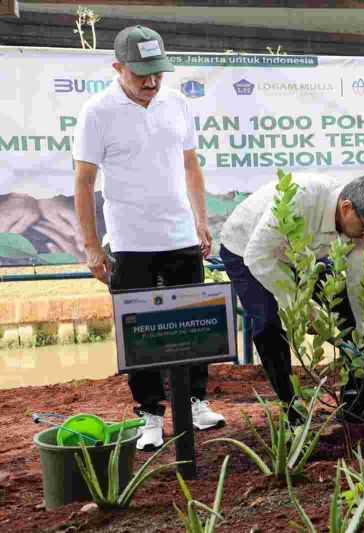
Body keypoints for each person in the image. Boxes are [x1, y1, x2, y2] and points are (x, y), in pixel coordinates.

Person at [73, 25, 225, 450]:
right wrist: (90, 245)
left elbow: (191, 166)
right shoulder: (97, 112)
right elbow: (84, 183)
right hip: (129, 242)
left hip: (181, 237)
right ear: (117, 67)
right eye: (141, 74)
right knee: (137, 330)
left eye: (158, 72)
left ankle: (195, 401)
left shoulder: (177, 103)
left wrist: (201, 219)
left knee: (195, 324)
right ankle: (151, 415)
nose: (152, 82)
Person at [219, 173, 364, 424]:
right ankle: (293, 412)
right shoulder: (300, 198)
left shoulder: (357, 228)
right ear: (346, 208)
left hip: (302, 255)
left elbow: (358, 287)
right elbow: (259, 256)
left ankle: (358, 403)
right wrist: (304, 307)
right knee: (269, 323)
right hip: (248, 249)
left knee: (341, 302)